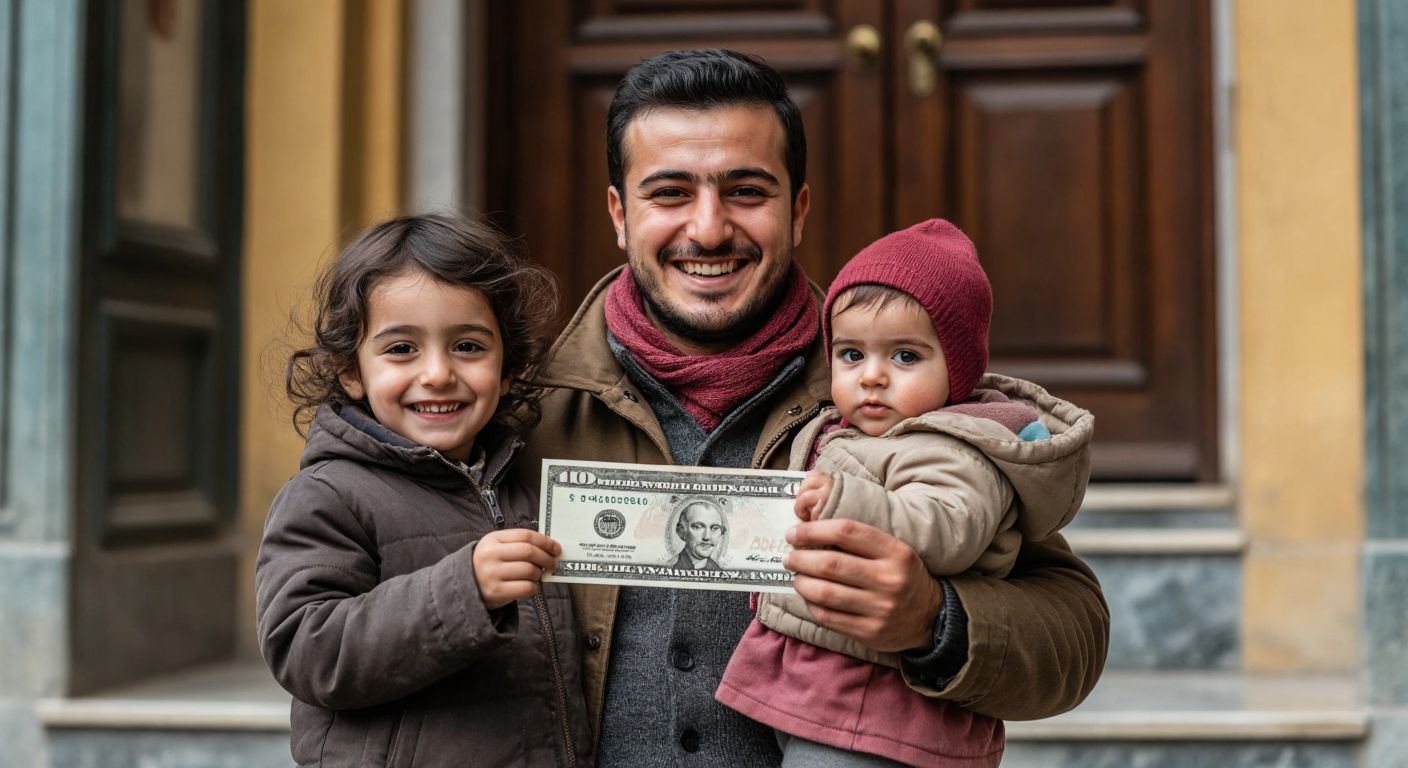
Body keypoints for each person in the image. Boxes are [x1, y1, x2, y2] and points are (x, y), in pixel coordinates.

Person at [514, 48, 1109, 766]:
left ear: (797, 209)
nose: (707, 229)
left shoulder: (898, 394)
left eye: (746, 191)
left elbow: (1074, 631)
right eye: (669, 193)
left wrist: (933, 619)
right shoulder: (523, 410)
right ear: (619, 213)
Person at [715, 219, 1095, 767]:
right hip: (819, 694)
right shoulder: (846, 431)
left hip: (881, 716)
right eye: (851, 356)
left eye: (905, 357)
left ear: (957, 370)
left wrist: (847, 505)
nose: (871, 377)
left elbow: (947, 528)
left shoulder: (957, 445)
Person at [255, 213, 593, 767]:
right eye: (401, 350)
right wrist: (465, 590)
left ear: (507, 367)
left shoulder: (527, 480)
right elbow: (307, 647)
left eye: (467, 346)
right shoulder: (327, 495)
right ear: (350, 371)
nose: (437, 374)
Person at [672, 498, 729, 570]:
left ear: (721, 533)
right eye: (698, 527)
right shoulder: (669, 567)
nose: (707, 537)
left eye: (714, 528)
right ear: (681, 531)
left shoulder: (719, 571)